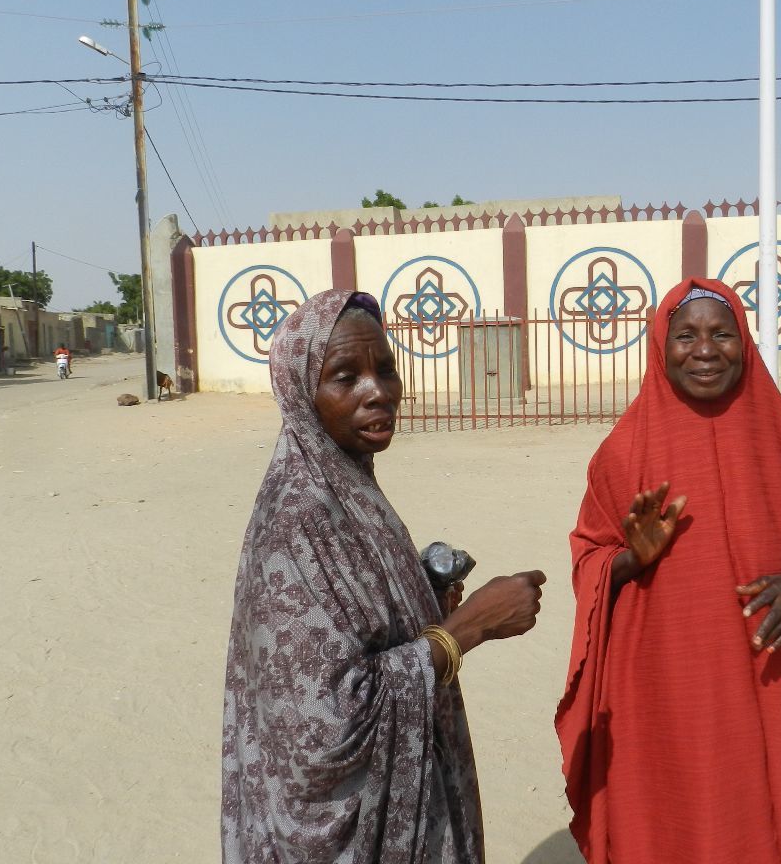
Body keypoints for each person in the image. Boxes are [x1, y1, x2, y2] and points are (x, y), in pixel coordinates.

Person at [222, 289, 546, 864]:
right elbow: (323, 728)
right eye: (346, 377)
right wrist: (467, 629)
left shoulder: (346, 485)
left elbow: (354, 626)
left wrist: (422, 595)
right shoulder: (300, 518)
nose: (379, 393)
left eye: (387, 370)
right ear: (301, 394)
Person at [555, 278, 781, 864]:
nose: (704, 350)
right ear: (659, 346)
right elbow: (589, 560)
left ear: (744, 344)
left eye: (722, 334)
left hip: (772, 680)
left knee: (770, 818)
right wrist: (629, 559)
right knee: (671, 815)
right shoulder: (621, 453)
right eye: (686, 335)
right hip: (664, 688)